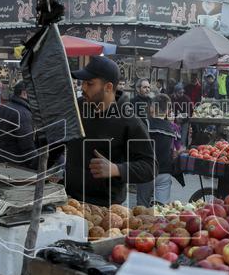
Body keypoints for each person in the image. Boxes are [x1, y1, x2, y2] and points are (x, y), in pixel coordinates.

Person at [66, 56, 155, 206]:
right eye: (83, 83)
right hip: (70, 200)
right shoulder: (77, 108)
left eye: (90, 84)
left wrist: (116, 169)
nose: (83, 88)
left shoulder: (129, 120)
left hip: (106, 208)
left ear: (108, 87)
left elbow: (150, 167)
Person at [137, 94, 177, 207]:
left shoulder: (145, 123)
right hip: (165, 173)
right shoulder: (172, 128)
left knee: (142, 208)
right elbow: (174, 151)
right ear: (168, 111)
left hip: (146, 172)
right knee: (161, 210)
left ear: (152, 108)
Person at [0, 80, 36, 169]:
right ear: (24, 93)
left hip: (4, 158)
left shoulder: (6, 106)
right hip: (17, 163)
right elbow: (27, 145)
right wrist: (35, 164)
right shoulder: (23, 113)